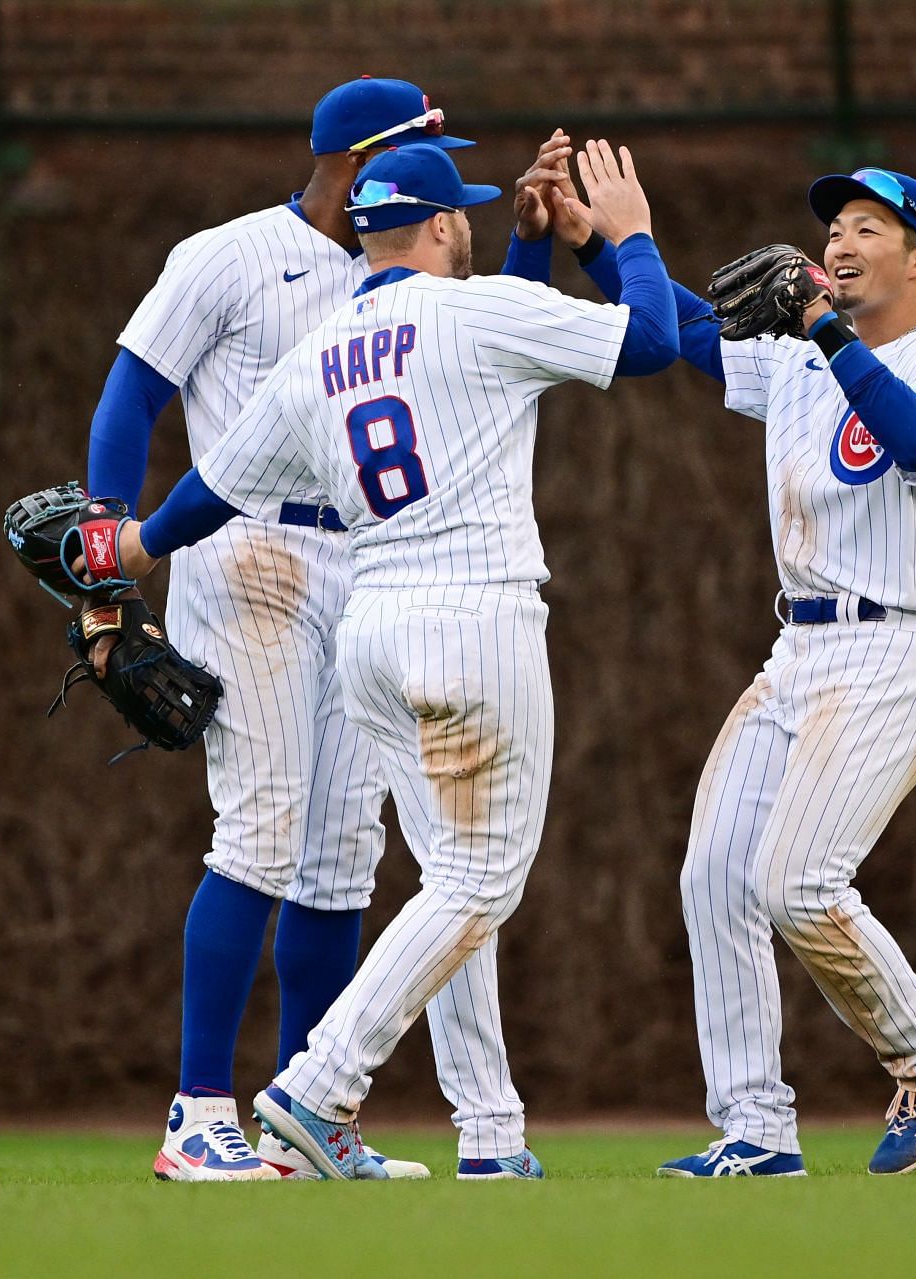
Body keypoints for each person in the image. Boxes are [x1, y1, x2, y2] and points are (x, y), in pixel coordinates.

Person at [100, 139, 680, 1178]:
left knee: (444, 881)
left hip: (370, 628)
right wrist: (629, 237)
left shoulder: (324, 346)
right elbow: (649, 343)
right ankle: (316, 1088)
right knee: (477, 880)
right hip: (476, 623)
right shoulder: (474, 312)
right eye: (466, 214)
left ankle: (489, 1135)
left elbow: (213, 488)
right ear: (449, 227)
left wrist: (129, 551)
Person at [526, 162, 916, 1177]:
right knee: (717, 877)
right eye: (835, 226)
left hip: (893, 650)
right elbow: (690, 331)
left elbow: (915, 442)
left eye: (872, 227)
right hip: (799, 652)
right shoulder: (797, 363)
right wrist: (604, 244)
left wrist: (823, 328)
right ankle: (755, 1127)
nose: (843, 240)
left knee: (800, 883)